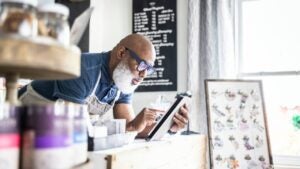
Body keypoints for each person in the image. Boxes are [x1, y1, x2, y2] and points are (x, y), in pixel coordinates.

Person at [18, 33, 189, 137]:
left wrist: (168, 127)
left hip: (53, 130)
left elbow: (129, 128)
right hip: (23, 117)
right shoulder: (83, 68)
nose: (144, 75)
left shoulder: (124, 80)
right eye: (142, 65)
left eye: (149, 69)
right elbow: (76, 130)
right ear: (122, 53)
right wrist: (128, 128)